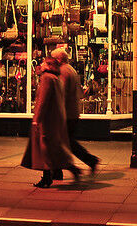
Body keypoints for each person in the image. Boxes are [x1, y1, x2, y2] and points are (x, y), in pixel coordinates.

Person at [20, 54, 80, 188]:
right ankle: (51, 176)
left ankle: (58, 174)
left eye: (44, 63)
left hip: (46, 121)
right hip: (55, 119)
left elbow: (43, 100)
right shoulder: (56, 77)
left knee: (46, 150)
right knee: (50, 150)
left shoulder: (47, 78)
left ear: (49, 65)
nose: (41, 65)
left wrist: (37, 119)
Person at [51, 47, 100, 177]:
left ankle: (68, 168)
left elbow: (61, 92)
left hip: (66, 113)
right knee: (66, 143)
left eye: (53, 58)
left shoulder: (63, 72)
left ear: (59, 59)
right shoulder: (71, 69)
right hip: (72, 112)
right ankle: (63, 170)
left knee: (62, 143)